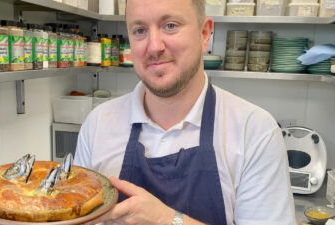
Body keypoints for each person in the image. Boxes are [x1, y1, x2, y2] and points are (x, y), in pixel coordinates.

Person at [75, 0, 296, 224]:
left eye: (170, 25)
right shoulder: (98, 123)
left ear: (204, 33)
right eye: (140, 30)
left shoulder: (254, 131)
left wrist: (167, 219)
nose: (154, 47)